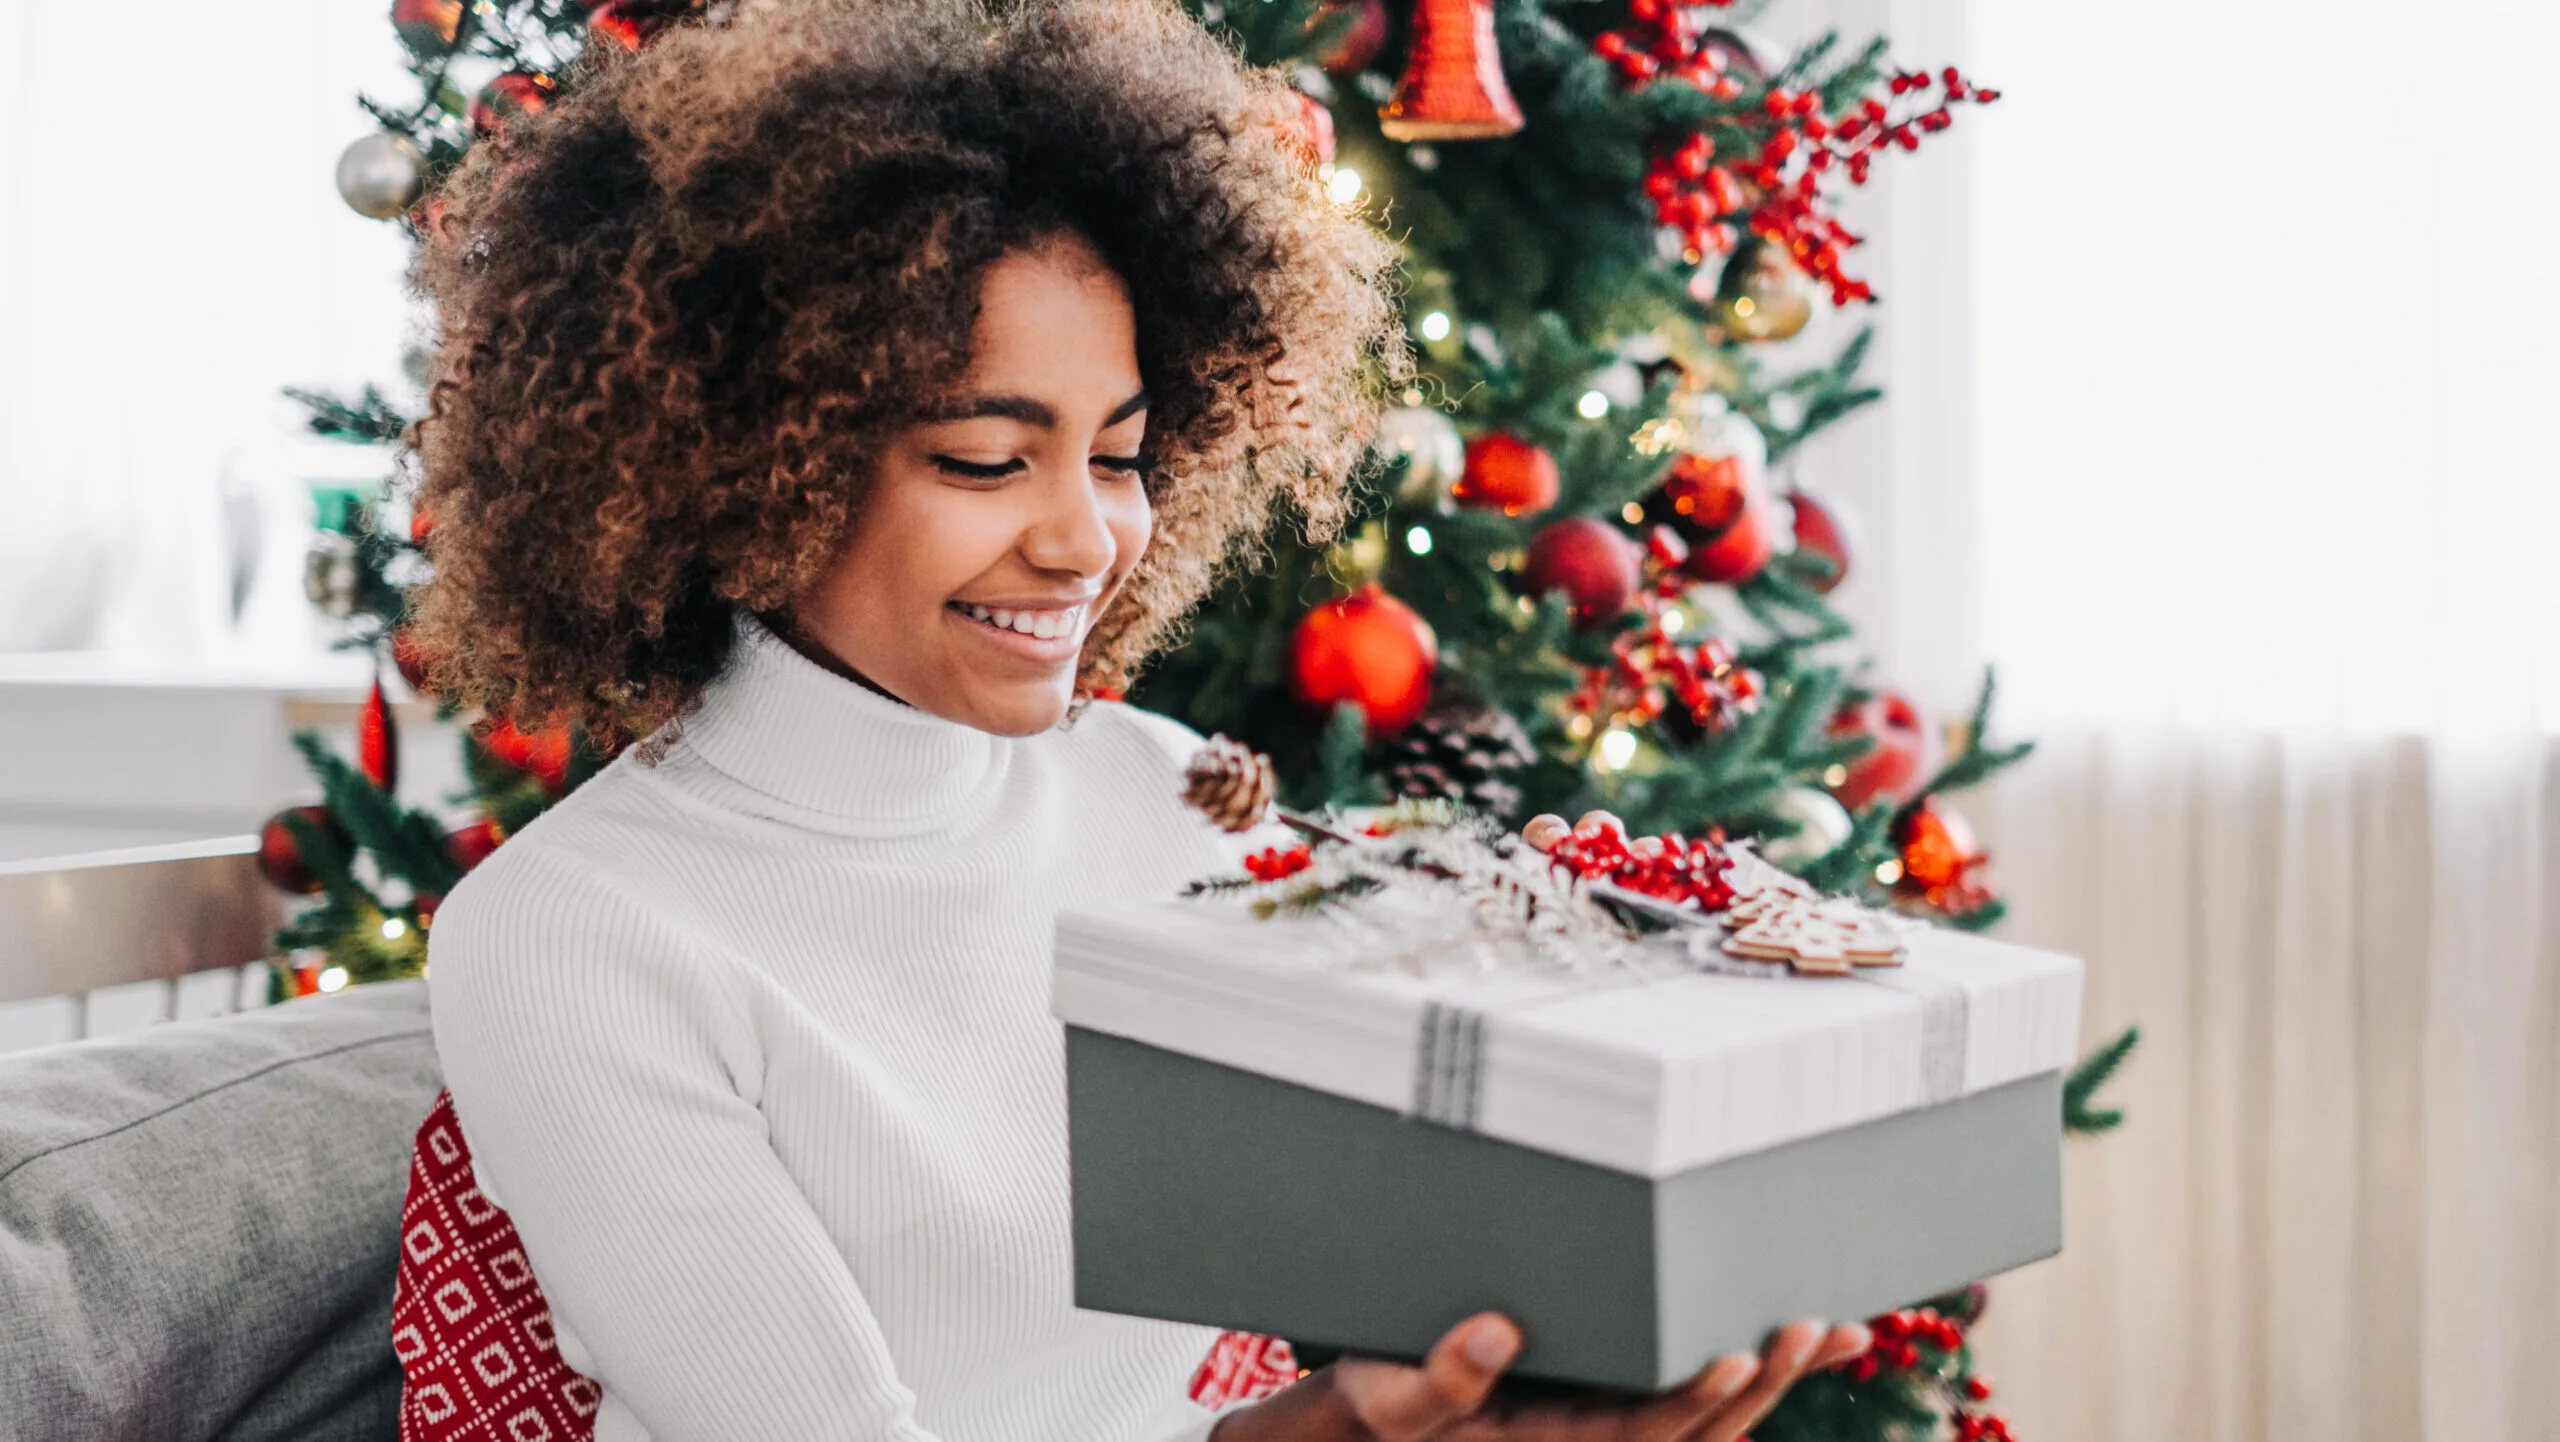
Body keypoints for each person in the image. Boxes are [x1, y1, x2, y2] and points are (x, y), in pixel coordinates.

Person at [407, 1, 1870, 1438]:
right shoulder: (571, 932)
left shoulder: (1167, 798)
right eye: (986, 458)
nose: (1086, 541)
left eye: (1119, 453)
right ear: (736, 465)